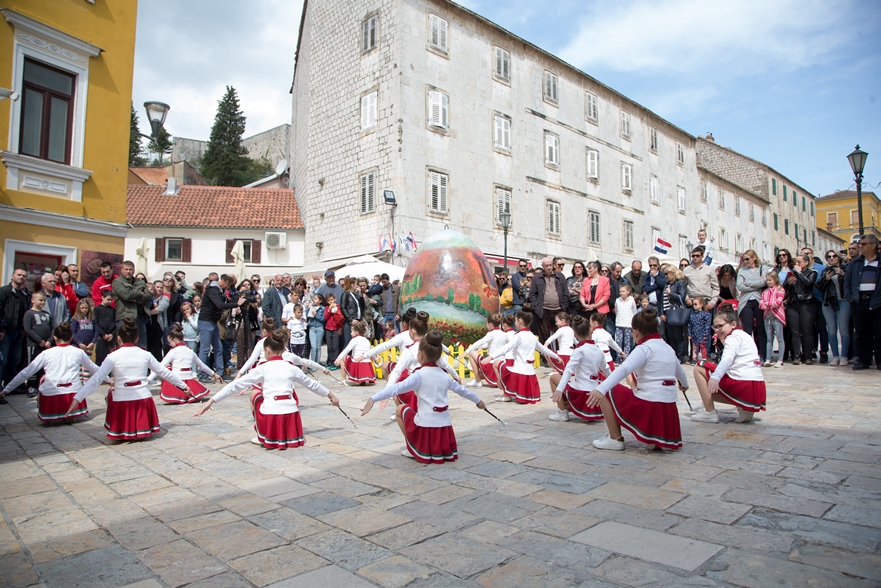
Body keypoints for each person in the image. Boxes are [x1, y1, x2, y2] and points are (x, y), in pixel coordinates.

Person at [194, 329, 340, 449]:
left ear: (267, 350)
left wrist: (212, 400)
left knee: (255, 395)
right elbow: (312, 384)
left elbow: (235, 385)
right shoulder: (291, 368)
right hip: (291, 414)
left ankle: (262, 435)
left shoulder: (262, 368)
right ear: (284, 349)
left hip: (271, 415)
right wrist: (331, 395)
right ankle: (287, 435)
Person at [361, 330, 485, 463]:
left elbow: (395, 388)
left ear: (420, 354)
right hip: (444, 428)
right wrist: (479, 401)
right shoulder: (445, 376)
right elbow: (464, 391)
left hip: (425, 427)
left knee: (400, 409)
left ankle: (412, 447)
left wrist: (373, 398)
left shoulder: (418, 375)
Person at [67, 318, 189, 440]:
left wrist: (78, 398)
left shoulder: (113, 356)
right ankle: (141, 427)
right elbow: (164, 372)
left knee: (111, 394)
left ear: (118, 339)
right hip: (143, 399)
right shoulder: (146, 354)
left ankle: (121, 428)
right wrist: (183, 386)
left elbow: (97, 378)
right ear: (137, 338)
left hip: (121, 401)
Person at [586, 308, 688, 451]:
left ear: (636, 332)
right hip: (668, 405)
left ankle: (615, 438)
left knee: (607, 391)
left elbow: (623, 369)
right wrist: (684, 385)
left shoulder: (644, 348)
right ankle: (654, 437)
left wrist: (600, 389)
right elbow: (681, 372)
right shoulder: (668, 348)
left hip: (649, 402)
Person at [1, 322, 98, 420]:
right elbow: (94, 369)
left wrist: (5, 390)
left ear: (55, 338)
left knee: (43, 379)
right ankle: (71, 412)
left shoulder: (46, 353)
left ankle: (52, 411)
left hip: (51, 399)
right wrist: (109, 380)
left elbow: (26, 373)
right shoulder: (79, 352)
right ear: (71, 337)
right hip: (74, 394)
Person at [691, 309, 767, 423]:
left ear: (733, 324)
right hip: (757, 388)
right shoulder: (744, 335)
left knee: (699, 367)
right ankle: (743, 406)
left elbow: (727, 359)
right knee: (708, 390)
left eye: (720, 326)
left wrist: (715, 378)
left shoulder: (733, 338)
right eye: (715, 327)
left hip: (744, 385)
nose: (717, 330)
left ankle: (709, 412)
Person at [484, 310, 559, 404]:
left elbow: (506, 348)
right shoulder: (531, 336)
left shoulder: (518, 336)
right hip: (530, 373)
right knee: (502, 364)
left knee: (496, 363)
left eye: (515, 320)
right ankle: (511, 394)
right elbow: (543, 350)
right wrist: (556, 356)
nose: (515, 323)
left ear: (519, 320)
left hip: (518, 372)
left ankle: (506, 393)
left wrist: (490, 357)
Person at [547, 315, 611, 422]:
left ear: (575, 334)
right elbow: (607, 371)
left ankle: (562, 412)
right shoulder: (598, 350)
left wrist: (559, 390)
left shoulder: (579, 351)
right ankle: (569, 407)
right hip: (594, 392)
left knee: (554, 377)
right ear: (590, 330)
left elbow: (568, 371)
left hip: (581, 393)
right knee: (568, 383)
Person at [149, 327, 220, 404]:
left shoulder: (173, 351)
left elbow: (160, 366)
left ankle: (176, 394)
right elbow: (202, 365)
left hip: (176, 380)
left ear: (175, 340)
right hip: (188, 378)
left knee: (167, 368)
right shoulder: (190, 350)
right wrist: (214, 374)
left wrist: (148, 379)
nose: (169, 344)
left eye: (170, 342)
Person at [843, 234, 881, 370]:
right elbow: (847, 282)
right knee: (861, 333)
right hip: (859, 302)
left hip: (877, 302)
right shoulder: (855, 263)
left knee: (879, 333)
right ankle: (864, 360)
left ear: (873, 245)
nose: (861, 246)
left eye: (864, 244)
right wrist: (850, 297)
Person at [198, 274, 245, 380]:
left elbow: (225, 304)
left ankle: (220, 373)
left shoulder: (220, 291)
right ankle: (202, 374)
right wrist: (237, 304)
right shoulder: (213, 290)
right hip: (206, 321)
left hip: (213, 322)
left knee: (218, 348)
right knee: (205, 349)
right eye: (230, 285)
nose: (230, 288)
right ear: (227, 282)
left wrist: (235, 299)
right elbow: (220, 305)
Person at [817, 249, 850, 366]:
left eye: (834, 256)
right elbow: (818, 286)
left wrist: (843, 274)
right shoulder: (825, 271)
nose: (831, 258)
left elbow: (851, 283)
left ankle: (844, 356)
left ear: (839, 257)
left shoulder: (846, 268)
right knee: (831, 330)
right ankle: (835, 356)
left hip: (843, 301)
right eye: (829, 256)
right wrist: (825, 279)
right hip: (828, 302)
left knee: (844, 329)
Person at [785, 254, 819, 365]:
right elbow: (783, 287)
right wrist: (788, 283)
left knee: (807, 331)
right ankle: (796, 355)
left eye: (799, 262)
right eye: (796, 262)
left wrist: (799, 273)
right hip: (793, 303)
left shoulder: (812, 272)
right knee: (794, 331)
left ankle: (808, 355)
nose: (797, 265)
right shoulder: (791, 273)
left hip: (807, 303)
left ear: (806, 262)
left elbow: (808, 284)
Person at [0, 267, 30, 392]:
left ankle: (9, 387)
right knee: (3, 361)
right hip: (5, 332)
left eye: (24, 276)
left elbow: (25, 313)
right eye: (19, 275)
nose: (21, 277)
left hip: (18, 333)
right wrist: (0, 329)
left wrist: (23, 329)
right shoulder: (4, 291)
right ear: (12, 276)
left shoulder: (24, 295)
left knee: (15, 360)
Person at [527, 257, 569, 344]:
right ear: (542, 266)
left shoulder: (560, 276)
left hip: (558, 309)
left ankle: (558, 354)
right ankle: (544, 356)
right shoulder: (537, 278)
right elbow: (532, 294)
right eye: (546, 266)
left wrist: (563, 307)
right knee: (543, 335)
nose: (549, 267)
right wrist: (537, 307)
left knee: (559, 335)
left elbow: (566, 293)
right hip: (544, 310)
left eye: (550, 265)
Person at [736, 250, 767, 362]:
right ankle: (748, 355)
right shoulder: (741, 270)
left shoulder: (762, 268)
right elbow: (740, 286)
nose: (745, 261)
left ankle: (762, 354)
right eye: (743, 259)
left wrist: (748, 283)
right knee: (747, 330)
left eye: (747, 259)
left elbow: (763, 282)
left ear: (754, 258)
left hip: (759, 301)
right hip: (746, 301)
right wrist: (756, 284)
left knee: (761, 329)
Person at [112, 261, 151, 348]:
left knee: (142, 347)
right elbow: (126, 295)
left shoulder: (140, 282)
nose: (128, 271)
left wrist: (135, 299)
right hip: (124, 318)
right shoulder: (117, 282)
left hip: (140, 319)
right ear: (121, 270)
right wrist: (140, 294)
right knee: (124, 346)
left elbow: (148, 296)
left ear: (134, 271)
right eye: (126, 269)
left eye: (130, 269)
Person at [463, 313, 507, 387]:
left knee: (471, 353)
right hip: (502, 364)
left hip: (492, 365)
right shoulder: (503, 334)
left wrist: (466, 351)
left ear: (490, 324)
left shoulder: (491, 334)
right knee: (480, 372)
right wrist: (482, 347)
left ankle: (477, 381)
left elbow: (479, 342)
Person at [23, 291, 53, 397]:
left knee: (44, 366)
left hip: (46, 345)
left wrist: (49, 340)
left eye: (44, 300)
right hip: (34, 345)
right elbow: (28, 329)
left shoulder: (47, 314)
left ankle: (41, 385)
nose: (42, 302)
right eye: (40, 300)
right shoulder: (29, 314)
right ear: (33, 300)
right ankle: (31, 386)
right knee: (33, 365)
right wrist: (39, 341)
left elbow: (52, 328)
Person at [661, 264, 689, 362]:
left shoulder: (680, 283)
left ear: (673, 273)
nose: (665, 276)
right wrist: (662, 313)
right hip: (668, 312)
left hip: (676, 311)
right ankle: (673, 355)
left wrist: (670, 293)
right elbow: (663, 300)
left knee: (678, 335)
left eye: (667, 274)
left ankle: (680, 356)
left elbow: (682, 297)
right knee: (670, 336)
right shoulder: (667, 284)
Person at [335, 320, 376, 384]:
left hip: (357, 363)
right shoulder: (367, 340)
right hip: (366, 364)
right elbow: (371, 352)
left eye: (352, 331)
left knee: (344, 358)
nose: (350, 333)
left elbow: (346, 350)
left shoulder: (354, 340)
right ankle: (363, 378)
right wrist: (375, 360)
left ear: (356, 332)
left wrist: (339, 358)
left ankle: (343, 379)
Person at [759, 271, 786, 367]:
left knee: (780, 338)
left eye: (770, 280)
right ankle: (768, 358)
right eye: (767, 280)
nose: (768, 282)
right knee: (769, 339)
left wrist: (768, 304)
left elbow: (777, 302)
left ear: (775, 280)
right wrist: (767, 304)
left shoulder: (780, 290)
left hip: (777, 316)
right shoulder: (765, 292)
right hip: (767, 316)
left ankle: (780, 359)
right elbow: (761, 304)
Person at [614, 284, 637, 359]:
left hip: (628, 324)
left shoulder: (631, 300)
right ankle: (619, 357)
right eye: (620, 291)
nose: (621, 293)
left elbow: (634, 312)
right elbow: (617, 311)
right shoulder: (617, 300)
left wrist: (633, 323)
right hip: (619, 324)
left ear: (628, 292)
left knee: (627, 342)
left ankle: (626, 357)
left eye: (623, 291)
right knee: (618, 342)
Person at [688, 297, 712, 363]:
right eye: (693, 304)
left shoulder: (705, 314)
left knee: (703, 347)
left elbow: (707, 325)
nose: (694, 306)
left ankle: (704, 358)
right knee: (695, 347)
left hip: (702, 334)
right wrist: (689, 333)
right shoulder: (692, 314)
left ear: (701, 305)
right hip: (694, 334)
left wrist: (705, 334)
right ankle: (694, 359)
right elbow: (690, 324)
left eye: (696, 304)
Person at [323, 293, 344, 369]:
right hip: (328, 329)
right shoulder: (327, 308)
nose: (330, 302)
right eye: (328, 300)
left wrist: (340, 328)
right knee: (330, 347)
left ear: (335, 299)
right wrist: (329, 310)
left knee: (335, 347)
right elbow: (325, 317)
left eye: (331, 299)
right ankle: (330, 362)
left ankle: (336, 363)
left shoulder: (338, 307)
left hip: (336, 329)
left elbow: (341, 319)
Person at [306, 294, 326, 365]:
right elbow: (306, 316)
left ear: (320, 301)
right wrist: (308, 308)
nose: (314, 300)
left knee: (318, 347)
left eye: (316, 299)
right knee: (313, 346)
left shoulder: (323, 309)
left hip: (319, 328)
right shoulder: (312, 307)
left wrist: (316, 315)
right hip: (312, 327)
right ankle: (312, 363)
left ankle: (317, 363)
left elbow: (323, 319)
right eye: (313, 298)